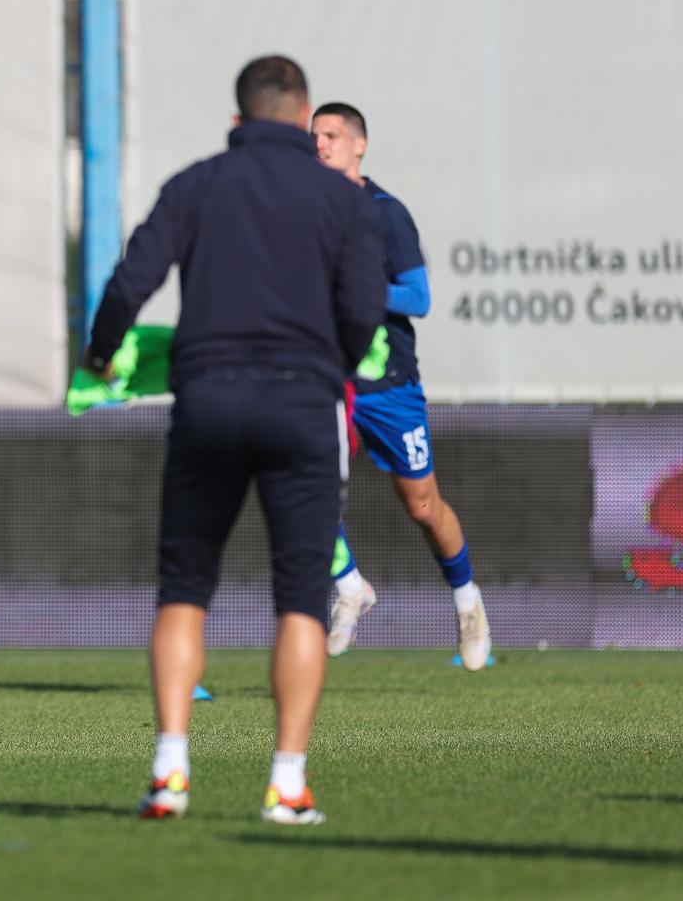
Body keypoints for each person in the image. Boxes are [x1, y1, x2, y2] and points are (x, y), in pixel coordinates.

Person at [83, 56, 386, 823]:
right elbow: (363, 308)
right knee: (300, 599)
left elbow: (128, 282)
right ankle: (286, 783)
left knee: (185, 589)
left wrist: (100, 352)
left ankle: (170, 769)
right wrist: (335, 359)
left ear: (236, 119)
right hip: (303, 402)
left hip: (209, 399)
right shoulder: (341, 198)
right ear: (305, 114)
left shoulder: (196, 183)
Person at [311, 103, 491, 670]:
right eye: (315, 135)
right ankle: (349, 586)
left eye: (333, 135)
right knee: (301, 489)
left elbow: (418, 298)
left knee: (422, 505)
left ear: (360, 144)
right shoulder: (302, 211)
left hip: (387, 386)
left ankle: (468, 603)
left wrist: (357, 291)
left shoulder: (385, 214)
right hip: (325, 379)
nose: (322, 144)